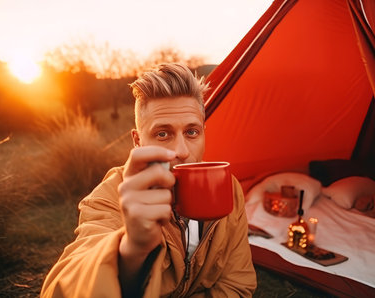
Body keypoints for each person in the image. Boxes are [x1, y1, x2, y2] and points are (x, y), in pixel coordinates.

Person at [41, 63, 257, 297]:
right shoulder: (111, 196)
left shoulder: (228, 188)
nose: (182, 151)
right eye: (162, 134)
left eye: (191, 132)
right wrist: (130, 250)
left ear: (204, 132)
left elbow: (238, 283)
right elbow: (62, 286)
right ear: (137, 140)